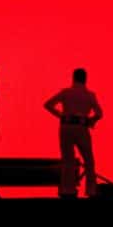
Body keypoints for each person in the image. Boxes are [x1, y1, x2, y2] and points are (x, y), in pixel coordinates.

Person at [44, 68, 103, 198]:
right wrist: (91, 121)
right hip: (81, 127)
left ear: (73, 78)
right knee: (89, 160)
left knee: (67, 160)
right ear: (85, 79)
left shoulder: (66, 93)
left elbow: (48, 104)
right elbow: (99, 113)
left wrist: (60, 115)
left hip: (65, 126)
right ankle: (91, 190)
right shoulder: (89, 95)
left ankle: (67, 189)